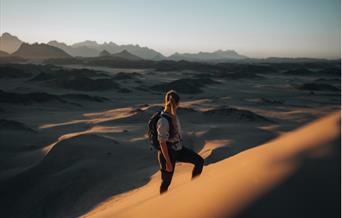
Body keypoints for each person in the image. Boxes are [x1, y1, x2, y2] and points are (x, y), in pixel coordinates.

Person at [157, 90, 204, 194]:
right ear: (176, 103)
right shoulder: (163, 120)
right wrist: (168, 162)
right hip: (168, 154)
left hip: (178, 149)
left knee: (199, 161)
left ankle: (194, 188)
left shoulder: (174, 116)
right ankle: (161, 204)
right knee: (166, 182)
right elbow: (162, 142)